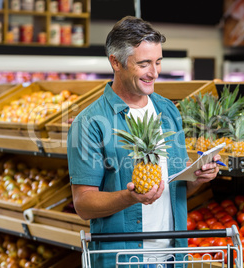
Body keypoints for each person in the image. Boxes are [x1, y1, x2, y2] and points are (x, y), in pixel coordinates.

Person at [67, 16, 221, 267]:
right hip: (122, 259)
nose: (155, 72)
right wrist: (130, 197)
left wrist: (197, 178)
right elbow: (83, 204)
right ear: (115, 62)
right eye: (144, 63)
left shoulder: (168, 111)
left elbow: (173, 190)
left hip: (173, 255)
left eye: (158, 62)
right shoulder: (91, 122)